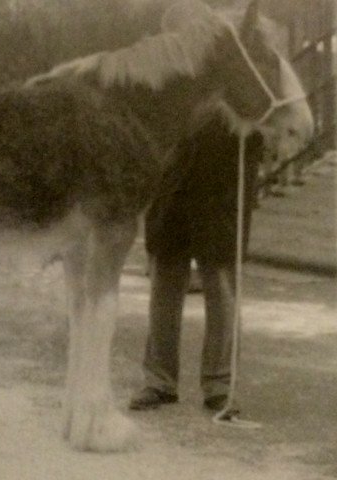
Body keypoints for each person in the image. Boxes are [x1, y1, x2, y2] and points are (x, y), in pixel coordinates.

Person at [130, 116, 263, 413]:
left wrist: (253, 128)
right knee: (164, 287)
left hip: (221, 192)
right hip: (170, 189)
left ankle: (220, 385)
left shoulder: (241, 72)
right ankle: (159, 381)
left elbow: (266, 121)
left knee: (222, 290)